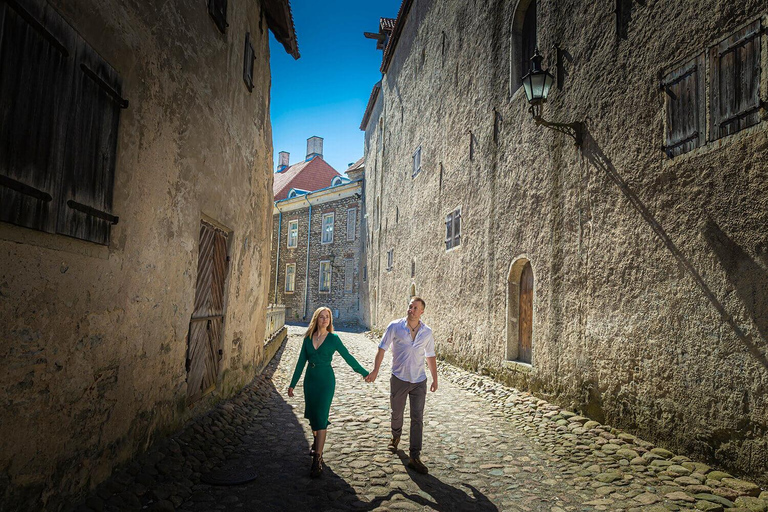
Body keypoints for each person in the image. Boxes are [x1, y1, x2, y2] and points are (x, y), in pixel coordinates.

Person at [288, 307, 370, 478]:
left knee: (321, 416)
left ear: (330, 320)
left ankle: (317, 459)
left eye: (327, 317)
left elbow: (348, 357)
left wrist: (364, 372)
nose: (325, 320)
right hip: (310, 381)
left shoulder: (333, 339)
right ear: (316, 319)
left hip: (326, 381)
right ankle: (316, 443)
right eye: (322, 317)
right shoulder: (308, 338)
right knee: (312, 416)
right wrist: (292, 384)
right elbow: (300, 362)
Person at [365, 297, 437, 474]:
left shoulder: (427, 332)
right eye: (410, 306)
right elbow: (382, 348)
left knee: (417, 418)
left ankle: (415, 456)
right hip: (399, 378)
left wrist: (435, 378)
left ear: (422, 312)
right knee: (396, 412)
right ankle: (395, 436)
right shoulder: (395, 327)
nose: (410, 310)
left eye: (415, 308)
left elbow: (430, 355)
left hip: (419, 380)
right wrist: (375, 371)